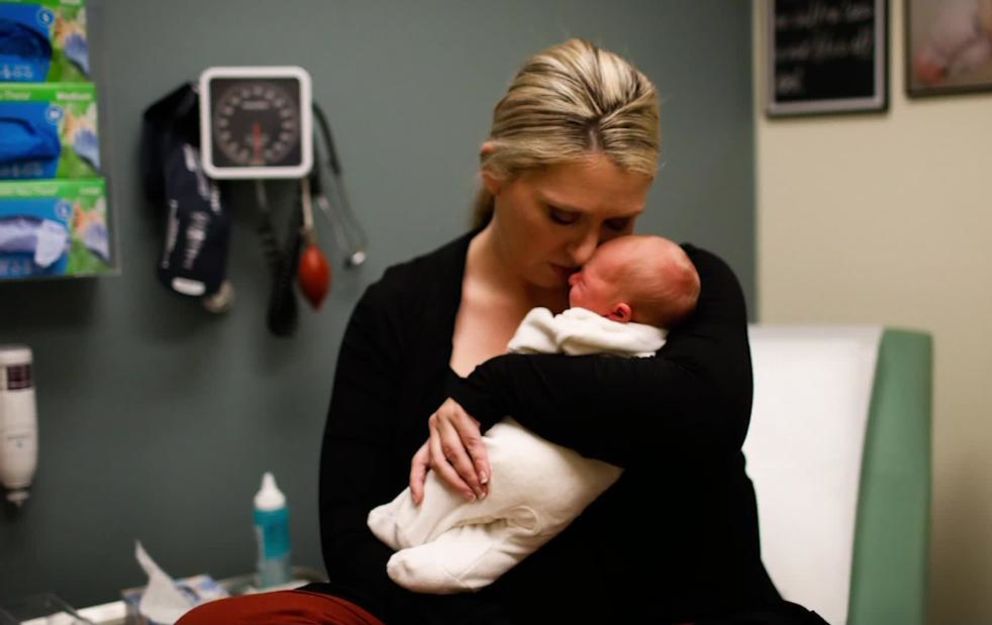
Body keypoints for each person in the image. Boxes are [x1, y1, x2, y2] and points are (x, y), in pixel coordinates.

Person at [178, 38, 827, 625]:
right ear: (496, 173)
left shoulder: (680, 283)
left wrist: (502, 382)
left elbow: (707, 413)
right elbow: (350, 536)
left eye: (619, 224)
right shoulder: (401, 308)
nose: (584, 251)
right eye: (562, 214)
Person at [368, 235, 700, 595]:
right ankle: (443, 570)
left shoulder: (585, 329)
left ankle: (402, 524)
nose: (574, 274)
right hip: (573, 491)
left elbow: (535, 345)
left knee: (459, 485)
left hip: (520, 464)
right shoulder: (660, 347)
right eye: (562, 219)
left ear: (618, 313)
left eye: (584, 280)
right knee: (506, 543)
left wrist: (538, 324)